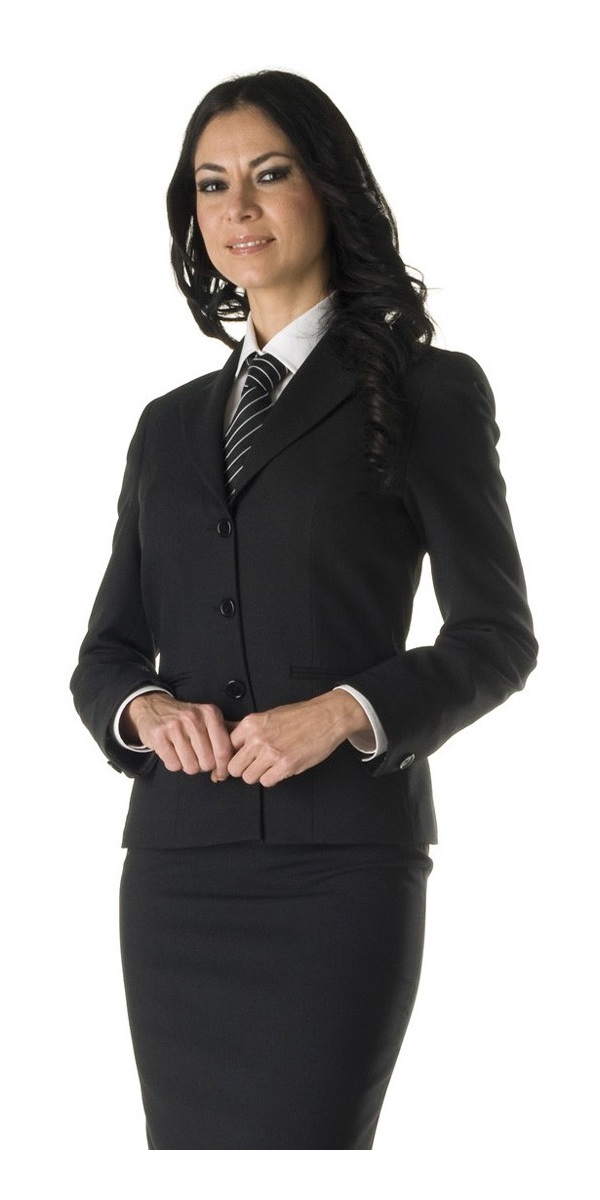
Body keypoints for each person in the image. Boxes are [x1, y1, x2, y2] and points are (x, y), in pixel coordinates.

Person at [71, 69, 537, 1150]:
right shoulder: (166, 425)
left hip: (339, 874)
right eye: (212, 184)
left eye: (269, 175)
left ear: (326, 188)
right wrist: (143, 709)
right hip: (177, 873)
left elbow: (496, 637)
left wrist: (344, 712)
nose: (238, 207)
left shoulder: (428, 392)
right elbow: (106, 650)